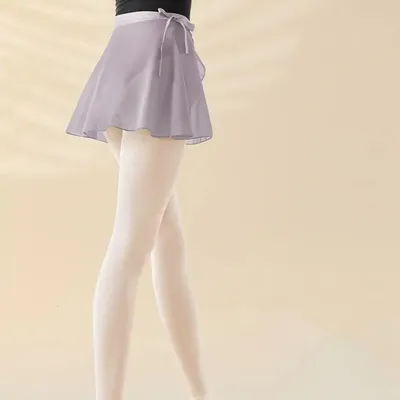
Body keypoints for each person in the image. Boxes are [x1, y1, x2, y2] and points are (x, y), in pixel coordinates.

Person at [65, 1, 213, 400]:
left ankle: (200, 391)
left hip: (126, 47)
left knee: (167, 235)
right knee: (129, 246)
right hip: (157, 51)